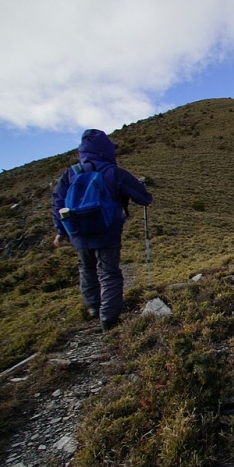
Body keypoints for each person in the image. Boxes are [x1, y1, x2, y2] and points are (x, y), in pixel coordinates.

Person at [52, 129, 153, 332]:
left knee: (86, 268)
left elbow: (58, 202)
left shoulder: (71, 173)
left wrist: (60, 230)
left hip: (78, 232)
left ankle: (93, 307)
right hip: (107, 231)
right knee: (109, 273)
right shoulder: (113, 172)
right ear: (106, 149)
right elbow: (144, 198)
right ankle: (109, 319)